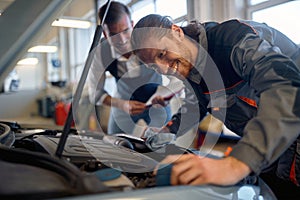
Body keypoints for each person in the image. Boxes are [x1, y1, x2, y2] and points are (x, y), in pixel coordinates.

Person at [131, 14, 300, 199]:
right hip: (270, 141)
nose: (164, 70)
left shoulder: (232, 41)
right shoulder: (190, 71)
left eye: (162, 54)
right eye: (154, 67)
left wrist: (236, 164)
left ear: (176, 31)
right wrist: (166, 130)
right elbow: (195, 106)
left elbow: (286, 89)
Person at [88, 2, 182, 135]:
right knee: (115, 144)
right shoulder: (100, 52)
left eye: (125, 31)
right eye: (114, 35)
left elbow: (177, 78)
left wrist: (165, 93)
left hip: (157, 103)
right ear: (105, 33)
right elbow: (95, 93)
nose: (122, 40)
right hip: (122, 106)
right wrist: (122, 105)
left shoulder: (147, 42)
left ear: (132, 25)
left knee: (162, 143)